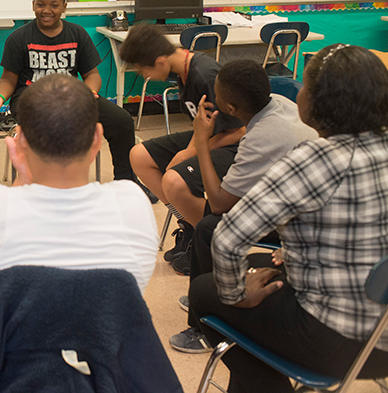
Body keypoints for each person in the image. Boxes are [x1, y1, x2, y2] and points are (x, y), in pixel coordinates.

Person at [0, 74, 159, 393]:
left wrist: (19, 185)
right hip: (99, 362)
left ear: (19, 140)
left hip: (11, 365)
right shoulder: (133, 201)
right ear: (98, 138)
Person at [190, 44, 388, 393]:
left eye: (305, 87)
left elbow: (227, 239)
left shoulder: (314, 158)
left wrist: (237, 295)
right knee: (259, 264)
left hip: (334, 342)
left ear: (320, 103)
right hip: (380, 334)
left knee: (207, 292)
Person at [167, 60, 316, 351]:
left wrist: (201, 140)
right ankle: (207, 289)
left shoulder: (264, 135)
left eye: (218, 94)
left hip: (297, 222)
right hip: (300, 205)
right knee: (212, 219)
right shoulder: (279, 104)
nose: (213, 97)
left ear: (230, 110)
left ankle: (203, 325)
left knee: (210, 226)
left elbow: (221, 203)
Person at [0, 0, 157, 202]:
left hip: (72, 97)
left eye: (54, 5)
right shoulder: (19, 38)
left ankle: (126, 181)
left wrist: (88, 92)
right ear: (33, 5)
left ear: (64, 7)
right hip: (31, 100)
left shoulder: (77, 34)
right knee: (50, 129)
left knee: (122, 120)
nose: (46, 10)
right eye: (40, 4)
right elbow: (9, 78)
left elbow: (92, 75)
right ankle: (37, 186)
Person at [119, 23, 245, 263]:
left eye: (142, 69)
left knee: (174, 180)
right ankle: (190, 224)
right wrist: (190, 149)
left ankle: (210, 241)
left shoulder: (205, 75)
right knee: (139, 156)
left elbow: (241, 130)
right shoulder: (182, 71)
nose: (144, 76)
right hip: (208, 138)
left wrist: (189, 153)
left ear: (160, 61)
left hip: (236, 146)